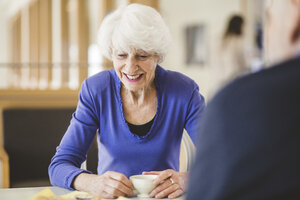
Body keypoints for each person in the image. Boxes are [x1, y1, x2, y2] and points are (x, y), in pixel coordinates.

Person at [49, 3, 205, 199]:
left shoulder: (184, 91)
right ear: (111, 53)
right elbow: (59, 165)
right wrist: (93, 183)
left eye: (142, 56)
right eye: (121, 55)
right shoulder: (96, 90)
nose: (130, 67)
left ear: (157, 55)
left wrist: (187, 179)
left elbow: (221, 156)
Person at [187, 0, 300, 199]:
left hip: (221, 93)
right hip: (240, 96)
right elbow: (246, 68)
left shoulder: (216, 40)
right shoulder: (240, 43)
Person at [213, 15, 249, 94]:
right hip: (233, 81)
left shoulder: (218, 39)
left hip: (218, 81)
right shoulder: (239, 41)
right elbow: (245, 64)